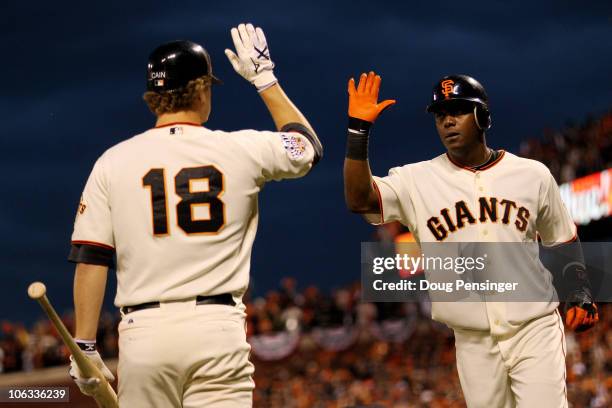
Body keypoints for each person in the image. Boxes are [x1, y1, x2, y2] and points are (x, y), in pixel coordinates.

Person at [67, 23, 322, 407]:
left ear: (153, 96)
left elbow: (91, 258)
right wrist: (265, 80)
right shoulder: (241, 149)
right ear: (202, 89)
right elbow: (307, 146)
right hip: (216, 328)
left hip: (143, 333)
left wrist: (84, 344)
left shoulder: (112, 162)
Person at [343, 71, 598, 407]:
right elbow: (359, 200)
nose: (448, 122)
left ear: (483, 117)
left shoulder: (531, 174)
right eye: (441, 115)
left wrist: (578, 289)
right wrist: (357, 132)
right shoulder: (415, 180)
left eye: (459, 111)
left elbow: (562, 238)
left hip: (534, 326)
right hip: (472, 340)